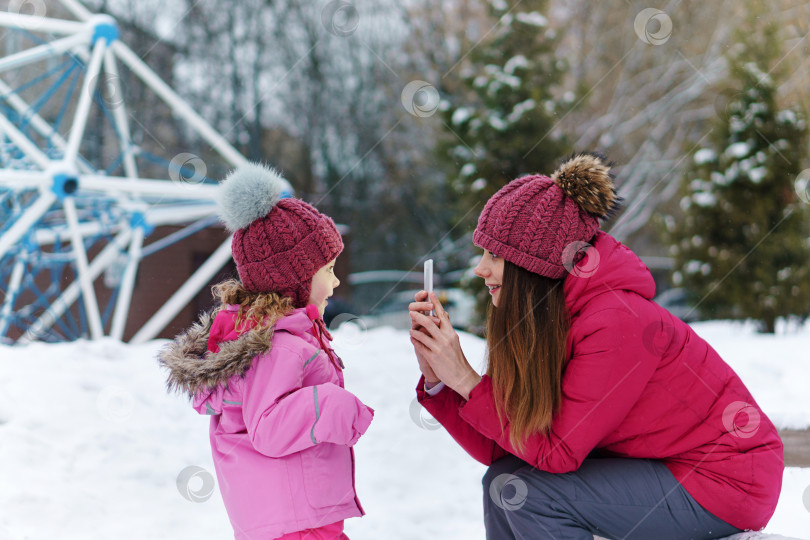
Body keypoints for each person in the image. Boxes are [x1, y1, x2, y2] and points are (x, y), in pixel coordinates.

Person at [408, 153, 783, 539]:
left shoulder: (618, 320)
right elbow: (508, 450)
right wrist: (441, 381)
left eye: (495, 255)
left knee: (531, 496)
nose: (480, 268)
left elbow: (557, 454)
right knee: (504, 481)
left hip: (724, 479)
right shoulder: (548, 320)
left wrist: (468, 380)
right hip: (659, 467)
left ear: (534, 264)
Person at [158, 163, 374, 540]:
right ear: (295, 279)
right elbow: (269, 428)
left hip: (287, 519)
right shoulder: (279, 347)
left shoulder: (278, 339)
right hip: (297, 524)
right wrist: (332, 404)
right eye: (328, 270)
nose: (336, 281)